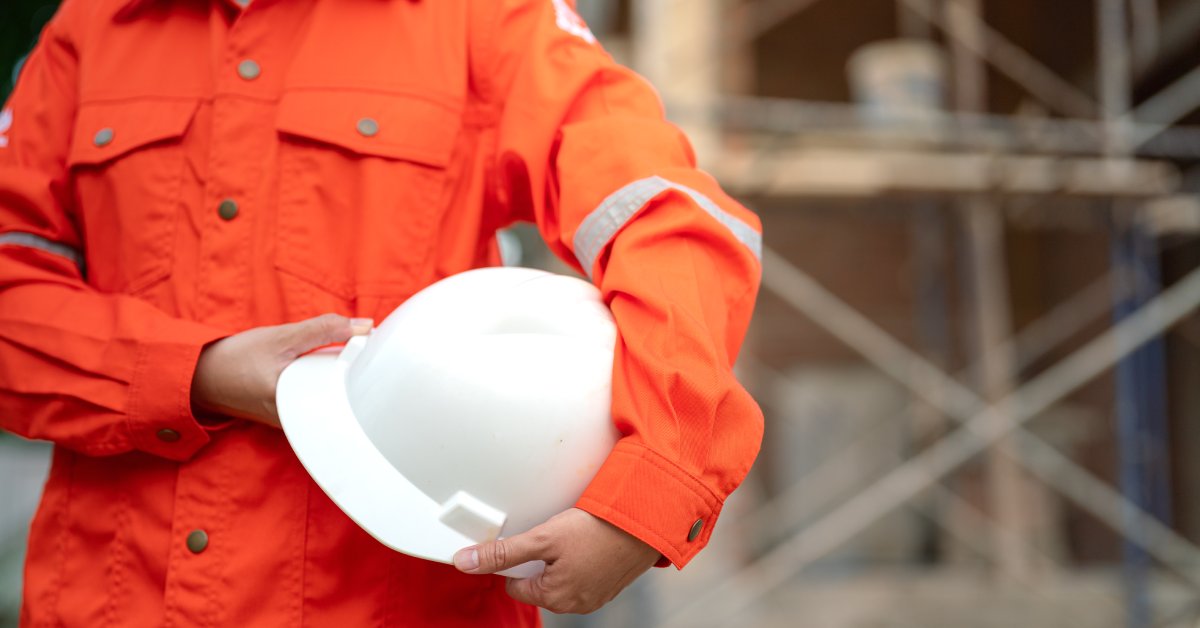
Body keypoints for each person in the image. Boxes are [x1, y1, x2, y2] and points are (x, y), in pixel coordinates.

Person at [0, 0, 764, 624]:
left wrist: (649, 494)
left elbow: (673, 222)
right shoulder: (90, 30)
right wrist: (194, 372)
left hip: (389, 604)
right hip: (109, 599)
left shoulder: (484, 19)